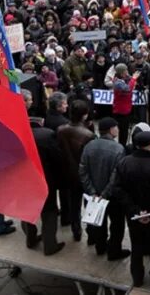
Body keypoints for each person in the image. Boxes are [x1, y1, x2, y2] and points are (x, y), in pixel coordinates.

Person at [114, 129, 150, 290]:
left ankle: (137, 277)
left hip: (133, 215)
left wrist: (135, 210)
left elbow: (118, 189)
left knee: (136, 246)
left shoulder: (125, 163)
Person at [79, 117, 130, 261]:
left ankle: (100, 247)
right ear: (111, 129)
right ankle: (114, 251)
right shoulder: (119, 149)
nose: (118, 130)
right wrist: (105, 193)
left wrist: (92, 191)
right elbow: (116, 176)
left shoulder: (89, 146)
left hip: (93, 196)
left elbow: (83, 171)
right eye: (116, 127)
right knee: (117, 224)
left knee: (98, 223)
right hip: (112, 196)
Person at [23, 116, 65, 255]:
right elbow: (58, 158)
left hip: (25, 179)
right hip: (45, 179)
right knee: (49, 212)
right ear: (40, 122)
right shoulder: (47, 134)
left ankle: (30, 238)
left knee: (28, 210)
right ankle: (50, 245)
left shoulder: (18, 133)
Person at [56, 103, 94, 242]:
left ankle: (76, 230)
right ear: (84, 115)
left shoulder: (61, 130)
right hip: (83, 174)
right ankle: (91, 233)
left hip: (67, 172)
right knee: (88, 203)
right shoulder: (88, 134)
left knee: (74, 204)